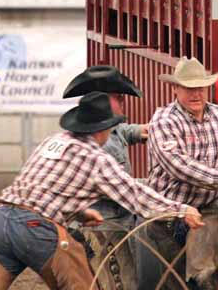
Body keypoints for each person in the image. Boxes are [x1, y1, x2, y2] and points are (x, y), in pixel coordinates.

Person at [0, 91, 203, 290]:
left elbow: (47, 187)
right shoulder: (97, 158)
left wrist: (79, 212)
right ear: (103, 129)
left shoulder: (53, 141)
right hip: (36, 230)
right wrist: (180, 210)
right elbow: (136, 197)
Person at [138, 57, 218, 290]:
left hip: (207, 209)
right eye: (189, 88)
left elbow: (217, 161)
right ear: (175, 88)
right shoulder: (164, 120)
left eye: (200, 88)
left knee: (203, 276)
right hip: (169, 214)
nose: (195, 94)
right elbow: (178, 166)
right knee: (174, 282)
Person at [62, 65, 148, 290]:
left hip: (105, 225)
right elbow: (122, 189)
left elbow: (122, 131)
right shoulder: (101, 145)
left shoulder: (105, 129)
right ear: (105, 101)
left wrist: (139, 131)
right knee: (121, 284)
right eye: (119, 98)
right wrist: (155, 185)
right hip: (103, 228)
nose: (123, 102)